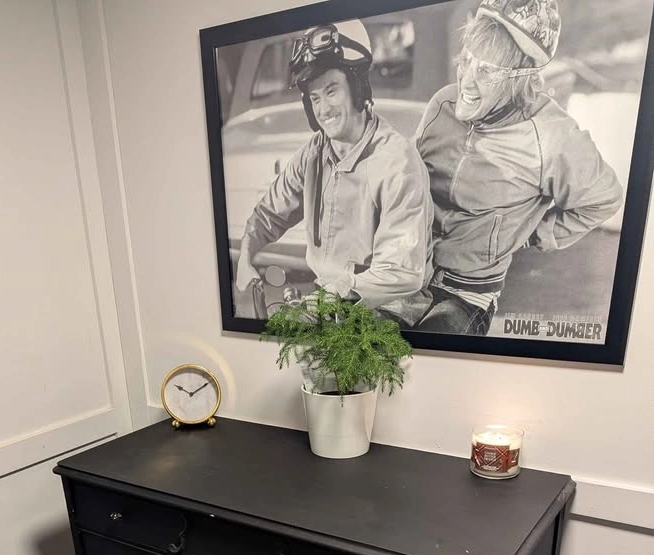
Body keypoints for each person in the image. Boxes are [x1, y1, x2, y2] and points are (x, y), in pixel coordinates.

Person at [415, 0, 624, 335]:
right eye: (466, 60)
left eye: (486, 71)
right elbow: (410, 181)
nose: (467, 82)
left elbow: (604, 198)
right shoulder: (442, 104)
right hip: (409, 275)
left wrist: (537, 234)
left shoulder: (552, 136)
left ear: (519, 78)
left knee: (429, 345)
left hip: (466, 295)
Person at [235, 20, 434, 323]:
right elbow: (267, 215)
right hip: (331, 298)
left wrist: (335, 293)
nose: (323, 109)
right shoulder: (314, 153)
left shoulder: (396, 161)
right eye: (314, 98)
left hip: (390, 308)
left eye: (331, 92)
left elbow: (400, 272)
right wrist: (245, 257)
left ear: (357, 89)